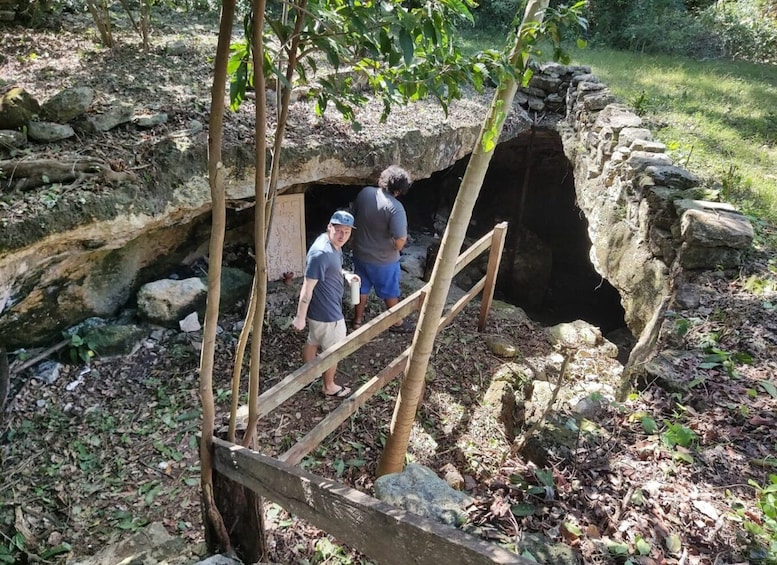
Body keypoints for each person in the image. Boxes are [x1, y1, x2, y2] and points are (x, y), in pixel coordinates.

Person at [292, 210, 360, 398]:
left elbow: (332, 269)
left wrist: (346, 275)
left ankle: (307, 374)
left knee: (314, 339)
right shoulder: (321, 253)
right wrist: (300, 317)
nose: (342, 236)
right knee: (334, 350)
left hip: (321, 310)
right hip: (328, 313)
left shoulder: (332, 244)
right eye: (338, 230)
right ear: (329, 227)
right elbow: (307, 286)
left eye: (347, 232)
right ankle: (328, 386)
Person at [351, 165, 414, 333]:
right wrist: (395, 248)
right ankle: (397, 323)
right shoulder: (395, 208)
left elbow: (355, 215)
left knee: (361, 287)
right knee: (389, 291)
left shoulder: (365, 193)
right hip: (383, 260)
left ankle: (357, 321)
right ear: (401, 189)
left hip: (360, 253)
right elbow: (401, 239)